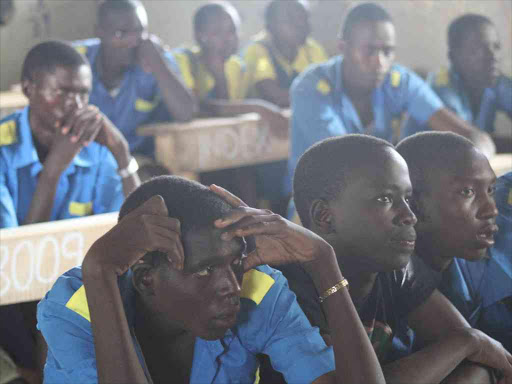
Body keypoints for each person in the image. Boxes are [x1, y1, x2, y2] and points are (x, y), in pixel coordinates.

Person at [37, 175, 386, 384]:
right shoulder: (76, 310)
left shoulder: (256, 289)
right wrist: (99, 271)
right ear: (146, 280)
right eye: (204, 270)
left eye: (235, 263)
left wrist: (324, 261)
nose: (231, 286)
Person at [283, 134, 512, 383]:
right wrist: (466, 341)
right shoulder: (289, 291)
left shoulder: (394, 270)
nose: (409, 215)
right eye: (385, 199)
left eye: (407, 198)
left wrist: (469, 343)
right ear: (325, 216)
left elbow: (482, 359)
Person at [286, 2, 496, 201]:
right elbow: (348, 164)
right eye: (369, 50)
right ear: (343, 47)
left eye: (387, 51)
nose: (380, 62)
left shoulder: (398, 81)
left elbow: (469, 135)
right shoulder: (311, 88)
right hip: (318, 205)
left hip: (379, 195)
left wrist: (478, 157)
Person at [0, 40, 139, 228]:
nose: (77, 105)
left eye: (83, 94)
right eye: (62, 92)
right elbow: (13, 251)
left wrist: (121, 151)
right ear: (28, 89)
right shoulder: (4, 150)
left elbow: (136, 232)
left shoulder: (95, 144)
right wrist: (53, 169)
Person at [397, 132, 512, 352]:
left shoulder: (467, 250)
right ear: (415, 205)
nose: (491, 209)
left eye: (490, 190)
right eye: (467, 192)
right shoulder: (386, 291)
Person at [173, 1, 289, 209]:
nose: (228, 39)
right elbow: (199, 108)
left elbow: (225, 114)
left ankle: (252, 224)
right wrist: (258, 107)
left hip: (221, 151)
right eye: (218, 32)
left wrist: (220, 73)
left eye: (233, 31)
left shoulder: (236, 66)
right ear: (200, 36)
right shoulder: (183, 60)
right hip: (188, 152)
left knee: (246, 169)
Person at [73, 0, 196, 157]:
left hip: (139, 160)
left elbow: (185, 113)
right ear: (100, 32)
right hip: (85, 160)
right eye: (121, 34)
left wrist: (158, 64)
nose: (133, 41)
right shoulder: (77, 60)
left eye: (139, 31)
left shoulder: (155, 60)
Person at [402, 14, 512, 152]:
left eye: (496, 46)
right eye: (478, 48)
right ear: (453, 56)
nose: (492, 55)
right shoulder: (442, 89)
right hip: (426, 168)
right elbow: (471, 145)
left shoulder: (497, 82)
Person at [243, 0, 328, 107]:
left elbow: (328, 91)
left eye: (304, 18)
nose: (301, 25)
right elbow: (273, 96)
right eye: (291, 20)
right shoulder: (257, 50)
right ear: (270, 25)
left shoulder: (312, 49)